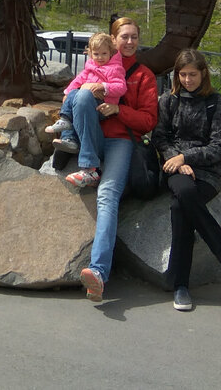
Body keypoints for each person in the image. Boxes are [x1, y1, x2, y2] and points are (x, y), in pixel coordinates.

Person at [67, 16, 159, 303]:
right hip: (92, 137)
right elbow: (75, 95)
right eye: (124, 37)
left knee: (107, 195)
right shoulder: (95, 64)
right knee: (81, 96)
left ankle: (97, 272)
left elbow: (148, 120)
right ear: (112, 39)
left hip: (120, 139)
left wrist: (118, 111)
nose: (129, 42)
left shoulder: (143, 75)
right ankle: (88, 164)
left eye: (134, 37)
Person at [152, 48, 221, 311]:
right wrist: (177, 162)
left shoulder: (215, 103)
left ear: (203, 74)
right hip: (174, 167)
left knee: (181, 206)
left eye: (193, 74)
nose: (188, 80)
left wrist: (187, 158)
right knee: (184, 195)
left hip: (208, 171)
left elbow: (218, 147)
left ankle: (181, 285)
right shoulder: (169, 101)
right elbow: (160, 138)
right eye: (183, 75)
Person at [45, 32, 127, 153]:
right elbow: (78, 80)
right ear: (90, 54)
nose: (100, 57)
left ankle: (65, 123)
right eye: (96, 54)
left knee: (76, 99)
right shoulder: (90, 67)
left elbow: (121, 87)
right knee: (73, 99)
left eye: (104, 53)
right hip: (85, 102)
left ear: (110, 52)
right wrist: (67, 93)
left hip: (102, 105)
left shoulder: (114, 69)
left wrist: (103, 86)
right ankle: (68, 139)